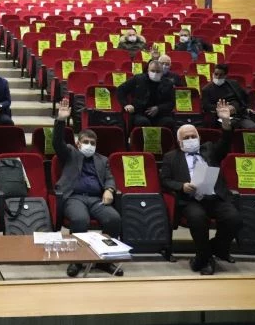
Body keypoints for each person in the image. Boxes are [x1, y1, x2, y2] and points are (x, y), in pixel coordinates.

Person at [160, 100, 241, 275]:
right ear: (179, 142)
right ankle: (205, 259)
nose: (190, 140)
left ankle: (207, 253)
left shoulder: (209, 149)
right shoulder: (170, 157)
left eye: (193, 136)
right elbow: (164, 180)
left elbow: (225, 142)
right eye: (186, 138)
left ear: (199, 138)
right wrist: (181, 186)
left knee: (234, 219)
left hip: (215, 197)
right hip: (191, 200)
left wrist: (226, 122)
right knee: (197, 219)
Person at [53, 99, 122, 278]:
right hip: (74, 197)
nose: (89, 145)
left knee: (113, 219)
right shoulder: (70, 153)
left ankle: (104, 260)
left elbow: (110, 178)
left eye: (92, 142)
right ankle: (76, 260)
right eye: (86, 142)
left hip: (96, 199)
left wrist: (109, 189)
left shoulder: (103, 160)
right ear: (78, 143)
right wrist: (61, 120)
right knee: (80, 220)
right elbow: (57, 143)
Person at [117, 60, 176, 130]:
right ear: (148, 70)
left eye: (158, 71)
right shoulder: (138, 79)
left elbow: (171, 103)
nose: (155, 73)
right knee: (143, 122)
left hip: (160, 114)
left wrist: (158, 108)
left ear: (162, 72)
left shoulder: (168, 83)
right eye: (152, 71)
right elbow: (120, 90)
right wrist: (126, 104)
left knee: (168, 122)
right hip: (140, 113)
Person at [201, 64, 255, 130]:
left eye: (221, 75)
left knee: (253, 129)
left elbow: (244, 98)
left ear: (225, 76)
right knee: (230, 127)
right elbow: (206, 106)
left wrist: (241, 107)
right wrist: (224, 109)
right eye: (216, 74)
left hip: (239, 115)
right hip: (221, 117)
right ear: (212, 74)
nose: (218, 77)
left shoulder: (234, 84)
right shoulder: (206, 89)